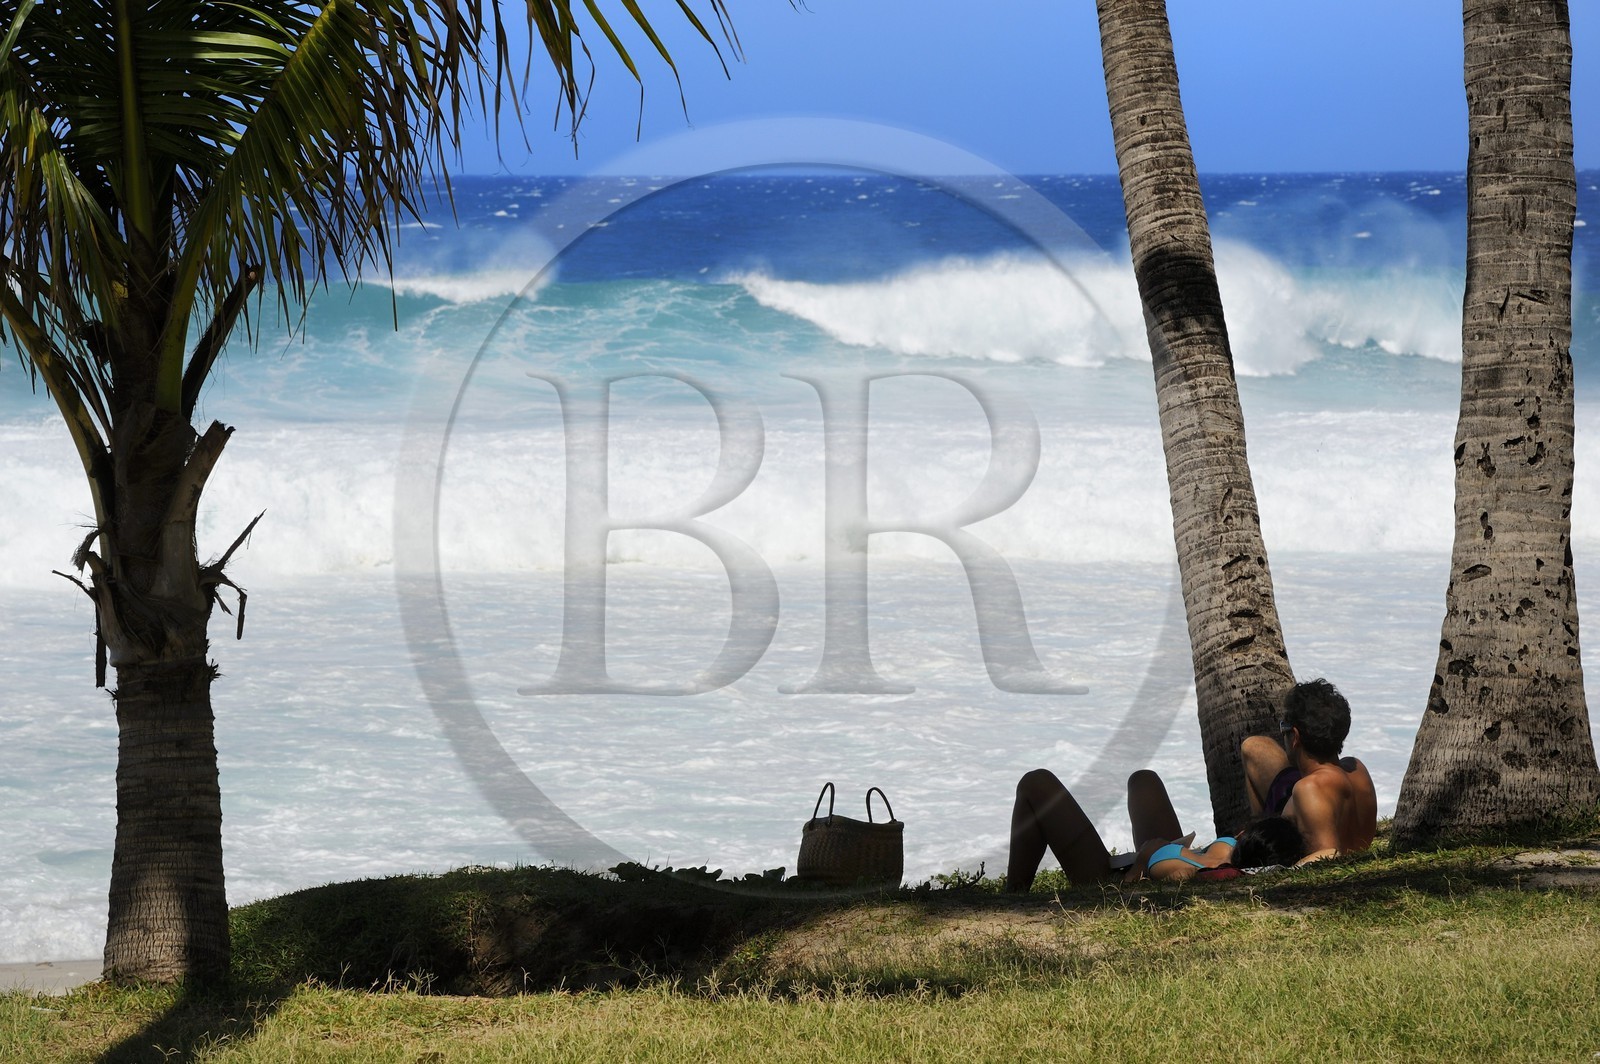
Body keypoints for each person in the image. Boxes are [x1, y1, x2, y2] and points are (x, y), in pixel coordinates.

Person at [1004, 767, 1304, 891]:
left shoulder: (1184, 873)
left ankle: (1012, 896)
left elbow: (1130, 896)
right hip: (1167, 849)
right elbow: (1324, 853)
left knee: (1036, 783)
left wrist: (1147, 855)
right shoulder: (1232, 850)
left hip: (1109, 881)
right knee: (1143, 780)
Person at [1241, 678, 1378, 863]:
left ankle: (1255, 843)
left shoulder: (1309, 788)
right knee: (1253, 747)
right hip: (1343, 833)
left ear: (1295, 736)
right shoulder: (1357, 769)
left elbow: (1329, 854)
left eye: (1284, 728)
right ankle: (1257, 831)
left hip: (1286, 846)